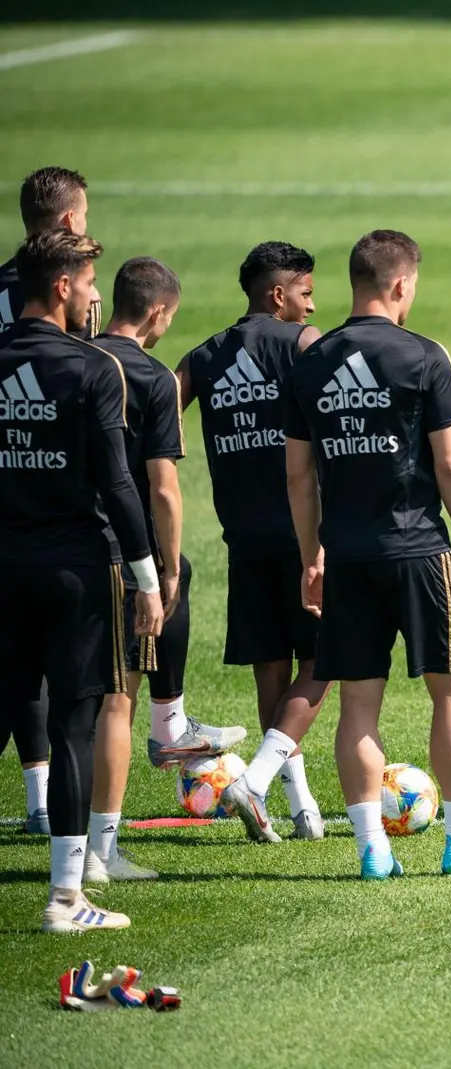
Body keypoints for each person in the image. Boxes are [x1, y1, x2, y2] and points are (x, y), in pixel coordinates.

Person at [279, 229, 451, 879]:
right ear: (400, 285)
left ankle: (371, 851)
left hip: (347, 556)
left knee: (358, 702)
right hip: (418, 548)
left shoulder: (310, 361)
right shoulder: (423, 356)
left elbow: (298, 476)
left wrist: (312, 556)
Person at [0, 229, 162, 932]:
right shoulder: (94, 370)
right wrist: (148, 577)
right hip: (74, 572)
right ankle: (66, 898)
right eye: (90, 284)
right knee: (73, 723)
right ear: (61, 286)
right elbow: (120, 486)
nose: (98, 296)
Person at [177, 242, 328, 841]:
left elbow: (155, 404)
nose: (312, 303)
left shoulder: (203, 355)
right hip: (302, 535)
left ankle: (299, 808)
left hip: (242, 538)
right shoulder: (302, 344)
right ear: (278, 294)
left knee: (272, 670)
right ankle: (260, 785)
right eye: (306, 292)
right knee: (325, 659)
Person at [82, 257, 189, 885]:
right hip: (121, 556)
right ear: (156, 312)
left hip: (52, 546)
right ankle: (101, 854)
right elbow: (163, 488)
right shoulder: (151, 378)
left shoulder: (74, 359)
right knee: (117, 702)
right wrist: (168, 570)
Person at [0, 167, 91, 833]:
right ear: (66, 223)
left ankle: (37, 795)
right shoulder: (67, 320)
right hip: (60, 514)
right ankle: (71, 866)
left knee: (14, 659)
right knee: (72, 687)